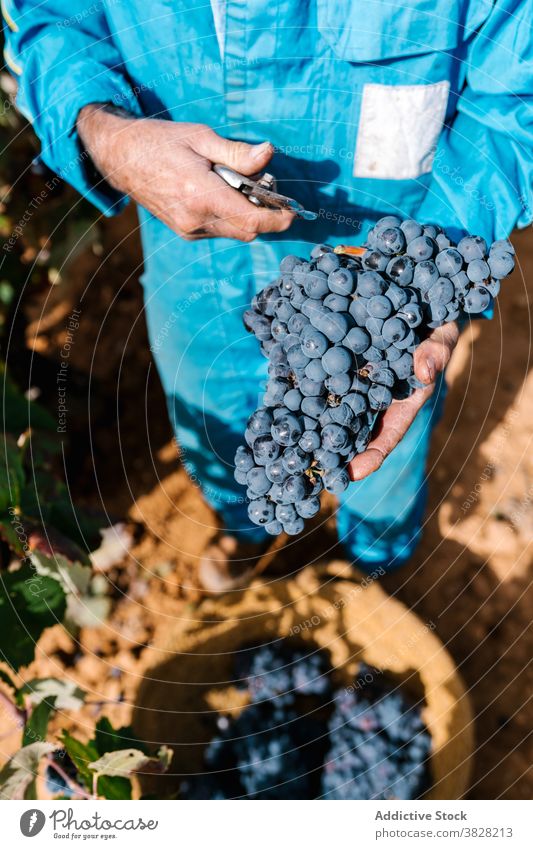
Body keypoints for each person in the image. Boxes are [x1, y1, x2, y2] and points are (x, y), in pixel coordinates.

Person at [4, 1, 532, 591]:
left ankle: (372, 562)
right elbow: (52, 18)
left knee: (382, 432)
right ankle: (245, 527)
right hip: (190, 241)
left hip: (390, 239)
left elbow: (516, 100)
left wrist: (435, 265)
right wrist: (103, 129)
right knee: (214, 413)